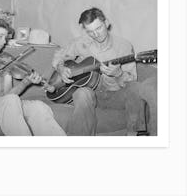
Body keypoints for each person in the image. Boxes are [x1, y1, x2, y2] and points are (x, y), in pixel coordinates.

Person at [52, 7, 150, 136]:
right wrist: (60, 68)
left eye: (98, 28)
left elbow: (132, 80)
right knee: (81, 93)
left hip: (114, 94)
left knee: (136, 88)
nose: (96, 35)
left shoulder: (124, 46)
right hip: (91, 93)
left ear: (106, 23)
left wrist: (118, 74)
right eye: (90, 31)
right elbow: (59, 54)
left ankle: (136, 137)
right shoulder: (82, 42)